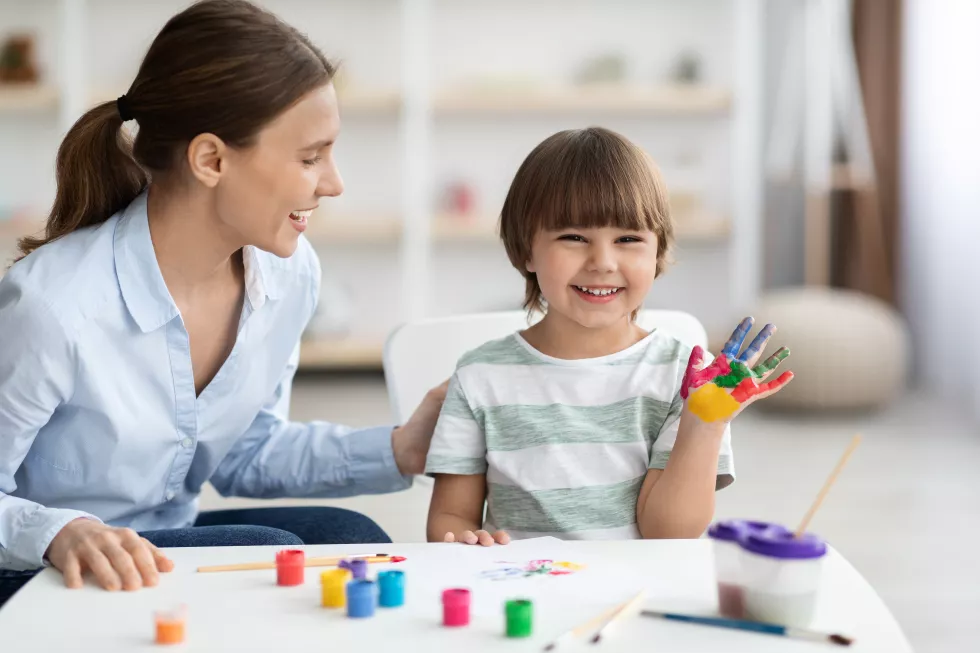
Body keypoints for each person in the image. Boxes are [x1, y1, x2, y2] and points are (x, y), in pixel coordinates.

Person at [0, 0, 446, 606]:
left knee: (352, 539)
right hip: (38, 570)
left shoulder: (288, 276)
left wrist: (403, 447)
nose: (334, 182)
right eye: (310, 157)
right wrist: (57, 530)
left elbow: (245, 454)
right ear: (211, 159)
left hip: (159, 544)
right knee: (268, 547)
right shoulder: (53, 305)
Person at [425, 127, 793, 544]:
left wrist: (703, 425)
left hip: (634, 597)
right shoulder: (480, 375)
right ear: (526, 249)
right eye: (574, 237)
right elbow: (451, 516)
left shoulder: (690, 382)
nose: (602, 262)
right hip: (522, 597)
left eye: (628, 239)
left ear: (657, 252)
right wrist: (465, 542)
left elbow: (669, 535)